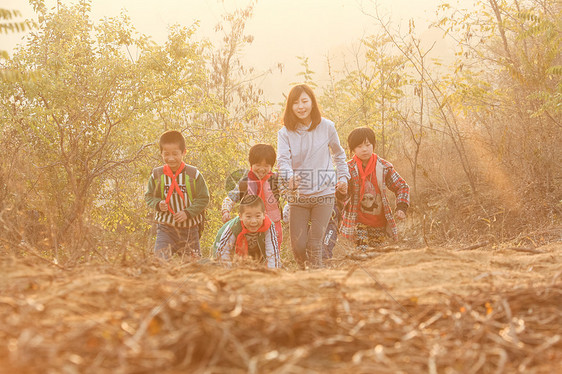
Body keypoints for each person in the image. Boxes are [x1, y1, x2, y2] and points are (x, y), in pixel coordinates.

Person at [277, 84, 350, 269]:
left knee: (315, 243)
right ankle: (305, 274)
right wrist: (289, 177)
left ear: (312, 103)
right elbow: (283, 161)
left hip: (324, 194)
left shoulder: (327, 126)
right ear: (290, 107)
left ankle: (317, 280)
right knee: (299, 246)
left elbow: (339, 155)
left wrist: (343, 178)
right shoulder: (285, 133)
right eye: (295, 103)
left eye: (304, 101)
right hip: (298, 196)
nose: (301, 106)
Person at [340, 127, 410, 250]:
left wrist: (401, 208)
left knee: (378, 255)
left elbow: (402, 186)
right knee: (363, 251)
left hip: (379, 222)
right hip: (357, 222)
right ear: (353, 149)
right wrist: (341, 190)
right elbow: (340, 196)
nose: (364, 149)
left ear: (373, 145)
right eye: (359, 146)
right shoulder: (347, 169)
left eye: (367, 145)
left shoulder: (384, 167)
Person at [145, 130, 210, 260]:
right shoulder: (157, 175)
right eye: (166, 154)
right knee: (160, 261)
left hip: (190, 230)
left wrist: (187, 212)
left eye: (175, 154)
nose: (171, 158)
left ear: (184, 152)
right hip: (165, 229)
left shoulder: (194, 174)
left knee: (193, 266)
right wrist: (158, 204)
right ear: (161, 153)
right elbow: (149, 196)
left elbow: (204, 198)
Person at [221, 144, 283, 246]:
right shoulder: (245, 182)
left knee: (272, 250)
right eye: (258, 165)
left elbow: (289, 194)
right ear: (251, 164)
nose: (262, 169)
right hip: (250, 224)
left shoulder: (276, 180)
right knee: (251, 253)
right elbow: (230, 198)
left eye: (266, 166)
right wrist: (225, 210)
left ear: (271, 166)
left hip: (273, 224)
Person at [214, 195, 281, 268]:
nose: (253, 221)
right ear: (241, 216)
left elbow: (272, 252)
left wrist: (273, 273)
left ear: (264, 215)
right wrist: (228, 272)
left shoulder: (268, 226)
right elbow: (224, 251)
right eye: (248, 217)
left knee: (256, 268)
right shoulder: (234, 226)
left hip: (252, 250)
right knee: (218, 265)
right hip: (223, 245)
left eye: (258, 216)